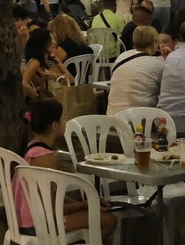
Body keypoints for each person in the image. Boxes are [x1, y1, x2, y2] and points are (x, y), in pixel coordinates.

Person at [18, 98, 117, 237]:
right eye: (63, 118)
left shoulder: (32, 148)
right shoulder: (45, 158)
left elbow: (54, 195)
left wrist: (87, 203)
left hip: (29, 218)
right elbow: (54, 208)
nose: (66, 121)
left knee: (97, 214)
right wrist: (84, 205)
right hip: (38, 224)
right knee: (109, 220)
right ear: (54, 125)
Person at [106, 25, 164, 114]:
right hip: (137, 120)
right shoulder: (157, 64)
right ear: (155, 42)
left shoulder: (122, 57)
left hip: (112, 116)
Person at [21, 28, 70, 100]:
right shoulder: (36, 62)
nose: (54, 42)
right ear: (42, 43)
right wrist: (39, 99)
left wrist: (55, 75)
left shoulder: (53, 59)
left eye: (53, 39)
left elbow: (71, 79)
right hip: (50, 102)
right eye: (50, 40)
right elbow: (24, 83)